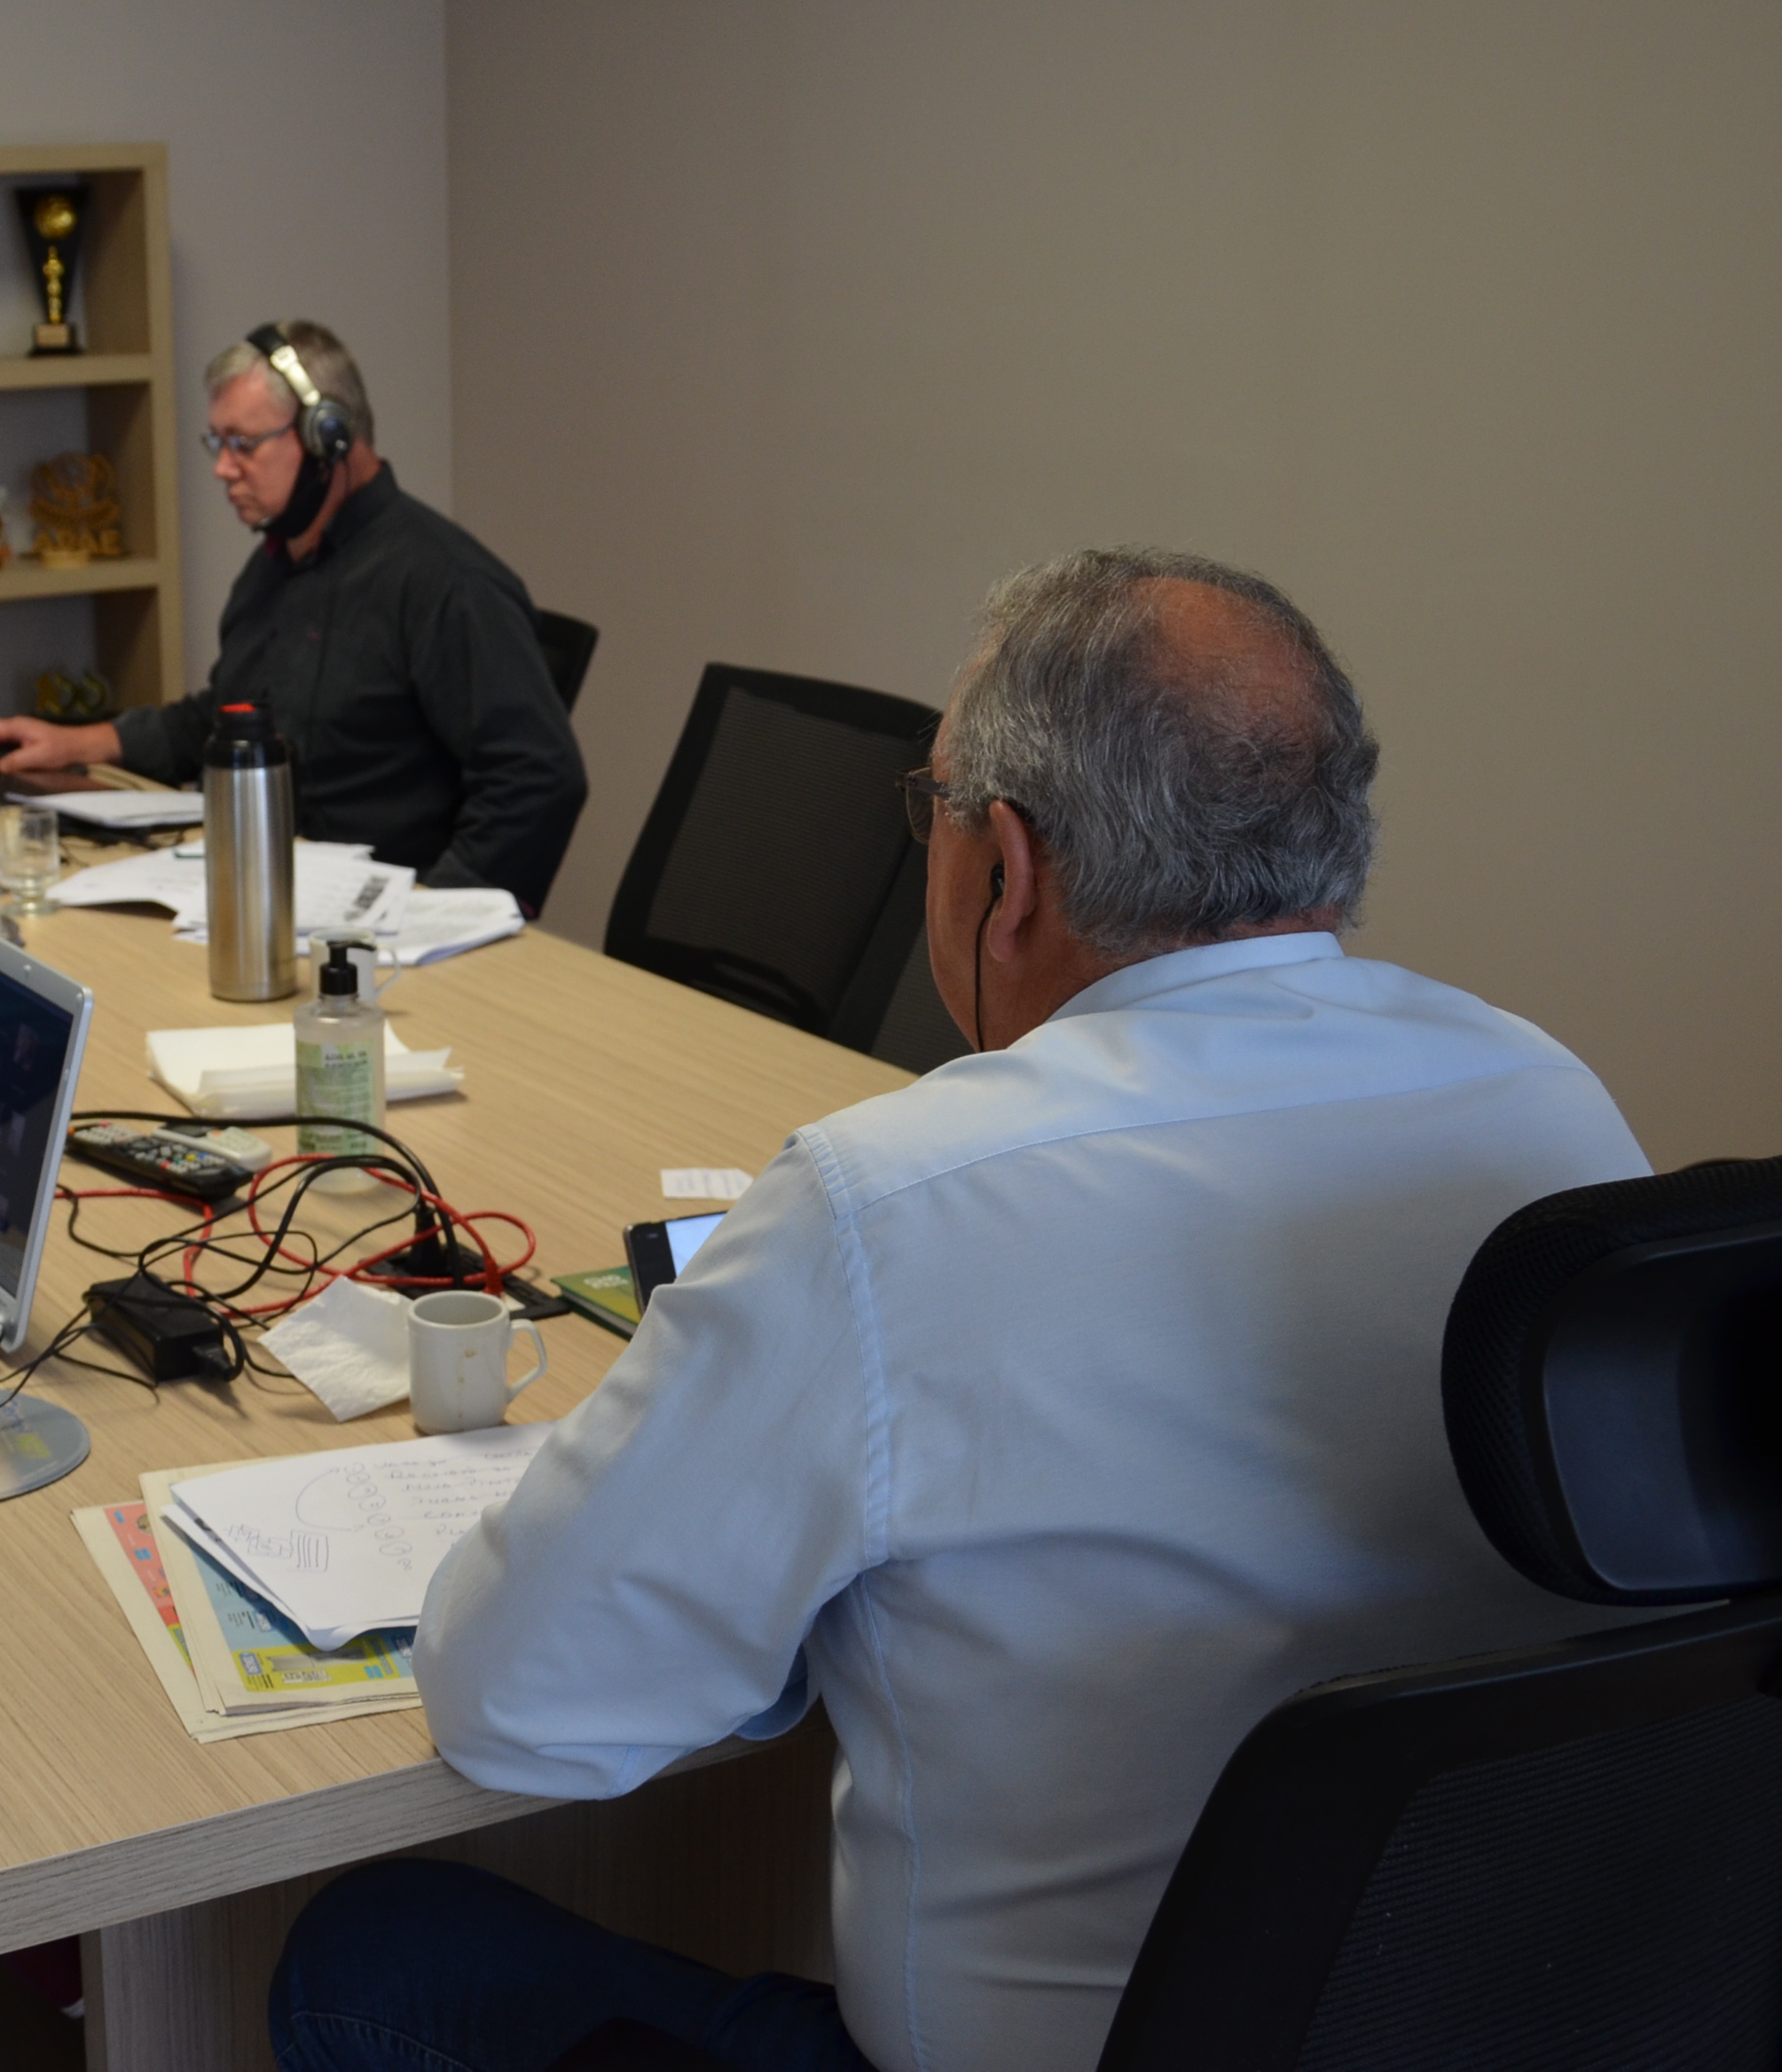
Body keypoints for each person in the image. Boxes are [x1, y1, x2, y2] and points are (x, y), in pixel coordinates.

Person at [266, 549, 1653, 2072]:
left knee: (369, 1957)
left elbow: (512, 1698)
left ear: (1002, 866)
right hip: (1516, 2014)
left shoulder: (890, 1203)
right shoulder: (1547, 1101)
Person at [0, 322, 588, 914]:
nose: (222, 468)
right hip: (281, 894)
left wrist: (435, 916)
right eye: (218, 443)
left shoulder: (443, 581)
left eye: (244, 444)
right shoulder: (277, 565)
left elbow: (538, 780)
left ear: (327, 438)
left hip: (386, 923)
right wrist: (78, 742)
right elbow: (230, 713)